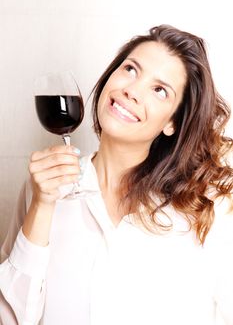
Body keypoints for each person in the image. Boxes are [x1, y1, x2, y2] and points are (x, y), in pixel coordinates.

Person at [0, 24, 233, 325]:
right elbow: (11, 318)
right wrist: (42, 206)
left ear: (172, 123)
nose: (131, 90)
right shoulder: (43, 189)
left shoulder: (208, 206)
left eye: (159, 90)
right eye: (131, 69)